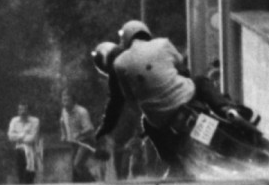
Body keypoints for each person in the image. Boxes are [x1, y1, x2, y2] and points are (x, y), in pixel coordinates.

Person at [94, 20, 252, 165]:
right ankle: (228, 110)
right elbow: (183, 70)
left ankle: (175, 166)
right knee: (201, 82)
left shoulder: (119, 66)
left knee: (149, 125)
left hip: (162, 118)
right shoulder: (163, 43)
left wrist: (103, 132)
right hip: (186, 97)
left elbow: (123, 102)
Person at [58, 92, 96, 181]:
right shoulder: (64, 110)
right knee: (74, 168)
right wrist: (63, 134)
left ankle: (93, 183)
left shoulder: (82, 111)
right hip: (74, 142)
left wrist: (80, 134)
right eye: (63, 100)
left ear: (73, 101)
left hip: (86, 141)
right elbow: (62, 121)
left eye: (67, 100)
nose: (65, 103)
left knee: (78, 164)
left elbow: (90, 128)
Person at [7, 102, 41, 184]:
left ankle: (28, 180)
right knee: (20, 153)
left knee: (29, 172)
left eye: (25, 109)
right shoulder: (14, 121)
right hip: (19, 148)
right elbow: (10, 136)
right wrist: (24, 134)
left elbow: (32, 138)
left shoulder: (35, 121)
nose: (22, 112)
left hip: (32, 149)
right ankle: (22, 180)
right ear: (18, 111)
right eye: (20, 109)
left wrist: (18, 137)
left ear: (28, 111)